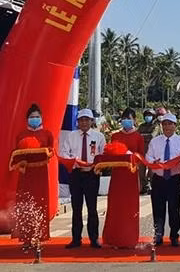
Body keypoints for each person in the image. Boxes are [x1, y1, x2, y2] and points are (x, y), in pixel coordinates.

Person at [60, 108, 105, 249]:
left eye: (87, 120)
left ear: (92, 121)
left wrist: (95, 167)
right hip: (76, 174)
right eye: (81, 120)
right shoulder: (71, 136)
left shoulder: (98, 137)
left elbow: (103, 156)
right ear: (77, 122)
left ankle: (94, 238)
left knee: (92, 208)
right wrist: (76, 162)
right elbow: (64, 154)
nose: (84, 123)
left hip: (92, 175)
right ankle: (76, 239)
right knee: (76, 207)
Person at [13, 104, 54, 249]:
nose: (34, 119)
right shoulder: (21, 134)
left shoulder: (47, 134)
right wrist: (21, 162)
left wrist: (47, 153)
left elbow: (51, 150)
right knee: (26, 203)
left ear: (41, 118)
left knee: (40, 203)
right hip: (26, 174)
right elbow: (15, 153)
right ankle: (26, 237)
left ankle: (38, 237)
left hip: (41, 173)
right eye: (32, 117)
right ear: (27, 119)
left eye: (37, 117)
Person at [146, 113, 180, 247]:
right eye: (164, 124)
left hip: (173, 178)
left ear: (175, 126)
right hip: (158, 179)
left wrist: (178, 163)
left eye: (170, 124)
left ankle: (174, 235)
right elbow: (148, 157)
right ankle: (158, 235)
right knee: (158, 208)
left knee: (174, 208)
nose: (167, 127)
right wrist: (155, 162)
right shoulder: (155, 141)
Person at [102, 108, 145, 248]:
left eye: (130, 118)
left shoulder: (138, 137)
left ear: (134, 120)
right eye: (124, 118)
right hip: (117, 176)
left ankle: (129, 238)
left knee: (130, 206)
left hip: (131, 175)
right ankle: (114, 238)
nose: (127, 121)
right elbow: (109, 154)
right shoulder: (115, 136)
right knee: (116, 206)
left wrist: (131, 156)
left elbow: (141, 157)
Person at [137, 108, 157, 194]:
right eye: (146, 115)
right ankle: (143, 186)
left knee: (152, 171)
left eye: (150, 115)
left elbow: (152, 136)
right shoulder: (141, 126)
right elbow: (137, 137)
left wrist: (143, 136)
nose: (147, 117)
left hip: (152, 151)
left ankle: (152, 186)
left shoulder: (156, 126)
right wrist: (145, 137)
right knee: (141, 171)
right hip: (142, 151)